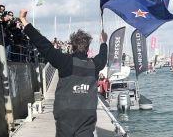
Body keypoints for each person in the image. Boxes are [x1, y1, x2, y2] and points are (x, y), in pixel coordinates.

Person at [19, 9, 108, 137]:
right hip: (86, 117)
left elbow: (43, 44)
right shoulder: (95, 64)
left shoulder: (64, 61)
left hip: (65, 116)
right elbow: (103, 57)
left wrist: (24, 21)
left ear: (72, 46)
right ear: (88, 48)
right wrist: (103, 42)